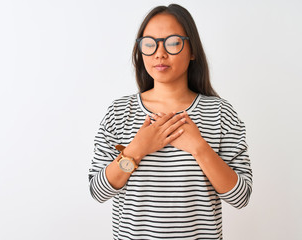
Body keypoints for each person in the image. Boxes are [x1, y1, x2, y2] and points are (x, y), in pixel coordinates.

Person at [88, 4, 252, 240]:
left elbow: (241, 197)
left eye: (173, 42)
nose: (159, 53)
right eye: (149, 43)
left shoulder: (220, 113)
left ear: (192, 50)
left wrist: (199, 148)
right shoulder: (119, 112)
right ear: (140, 50)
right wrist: (136, 150)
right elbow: (98, 191)